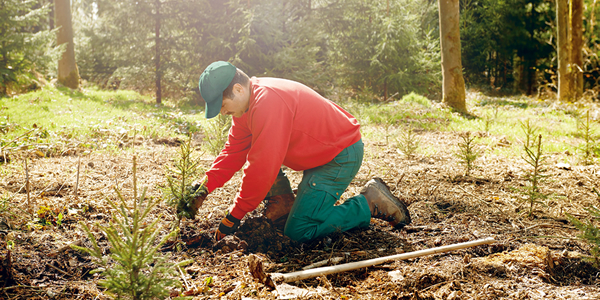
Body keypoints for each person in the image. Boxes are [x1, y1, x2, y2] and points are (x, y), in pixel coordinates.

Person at [189, 61, 411, 242]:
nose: (222, 112)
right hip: (319, 155)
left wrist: (234, 216)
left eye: (222, 104)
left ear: (238, 89)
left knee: (299, 230)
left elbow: (262, 167)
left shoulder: (268, 103)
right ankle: (284, 201)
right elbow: (233, 153)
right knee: (257, 151)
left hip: (340, 155)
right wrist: (203, 187)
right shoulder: (245, 108)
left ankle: (368, 203)